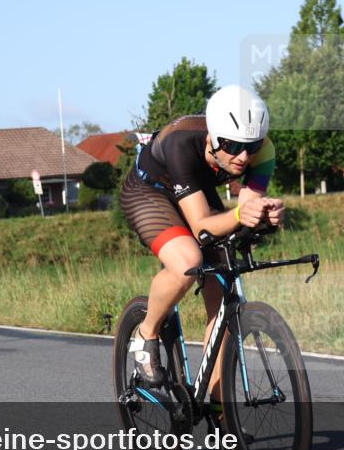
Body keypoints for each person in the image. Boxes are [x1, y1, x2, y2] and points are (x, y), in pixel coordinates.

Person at [120, 85, 284, 417]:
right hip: (150, 191)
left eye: (251, 146)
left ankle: (220, 411)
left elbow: (246, 210)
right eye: (233, 145)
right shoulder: (181, 142)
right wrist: (239, 216)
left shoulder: (263, 152)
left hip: (196, 189)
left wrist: (265, 216)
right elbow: (203, 227)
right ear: (212, 137)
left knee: (223, 293)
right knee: (187, 261)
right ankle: (146, 334)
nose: (243, 156)